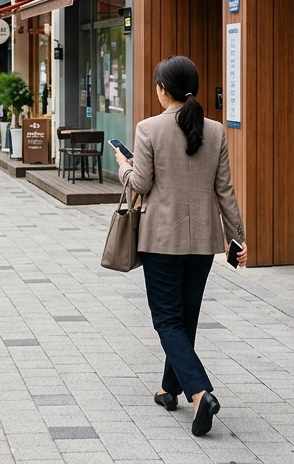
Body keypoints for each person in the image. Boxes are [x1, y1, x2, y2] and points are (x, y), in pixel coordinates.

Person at [115, 55, 247, 438]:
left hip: (161, 240)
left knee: (167, 320)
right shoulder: (216, 131)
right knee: (185, 318)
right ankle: (168, 389)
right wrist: (236, 238)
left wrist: (123, 163)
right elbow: (225, 190)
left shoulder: (148, 129)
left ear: (162, 89)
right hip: (202, 242)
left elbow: (139, 184)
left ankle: (200, 392)